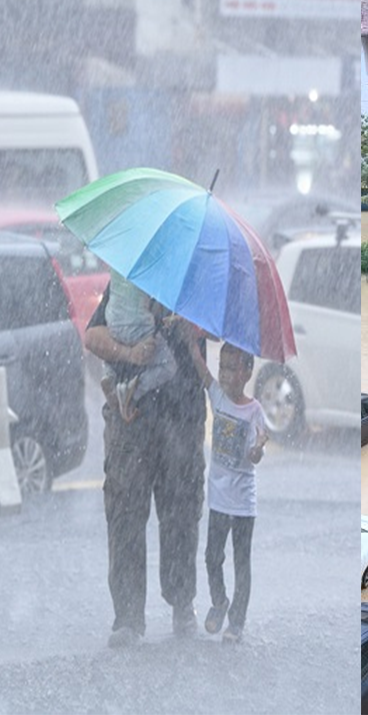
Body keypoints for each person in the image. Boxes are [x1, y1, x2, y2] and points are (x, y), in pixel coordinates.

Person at [85, 285, 207, 649]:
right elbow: (93, 334)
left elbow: (224, 334)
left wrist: (192, 327)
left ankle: (182, 601)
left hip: (183, 416)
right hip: (130, 419)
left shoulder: (196, 282)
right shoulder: (131, 275)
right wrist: (130, 353)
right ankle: (127, 616)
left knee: (182, 511)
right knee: (124, 513)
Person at [187, 337, 267, 645]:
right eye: (223, 367)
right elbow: (202, 370)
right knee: (211, 556)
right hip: (218, 498)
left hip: (243, 502)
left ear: (247, 372)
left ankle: (237, 621)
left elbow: (253, 457)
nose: (224, 374)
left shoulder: (254, 411)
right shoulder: (217, 396)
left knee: (241, 562)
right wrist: (191, 341)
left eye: (232, 368)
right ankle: (219, 602)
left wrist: (258, 448)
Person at [102, 270, 178, 422]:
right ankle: (132, 389)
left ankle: (109, 375)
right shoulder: (150, 270)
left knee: (111, 344)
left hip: (112, 320)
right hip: (139, 326)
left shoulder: (119, 264)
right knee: (169, 366)